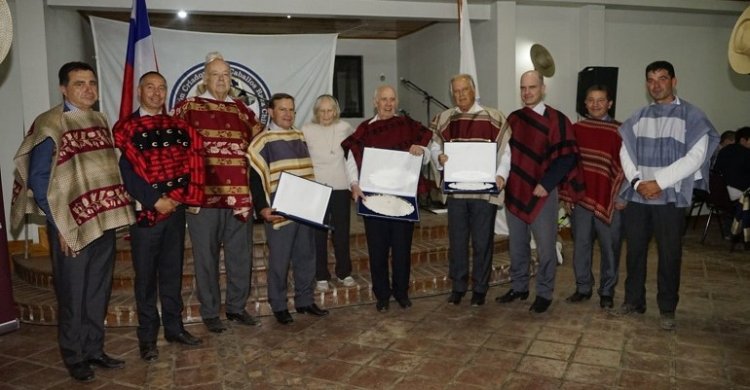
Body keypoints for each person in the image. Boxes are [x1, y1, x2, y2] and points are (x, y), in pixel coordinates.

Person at [10, 62, 135, 382]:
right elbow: (39, 180)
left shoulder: (99, 119)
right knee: (73, 293)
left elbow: (105, 171)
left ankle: (94, 349)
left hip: (102, 221)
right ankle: (74, 355)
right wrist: (61, 225)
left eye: (92, 83)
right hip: (71, 226)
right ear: (63, 88)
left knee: (97, 290)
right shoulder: (51, 123)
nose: (88, 89)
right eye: (80, 84)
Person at [617, 61, 718, 330]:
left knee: (670, 254)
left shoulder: (692, 116)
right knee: (635, 251)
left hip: (670, 197)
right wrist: (638, 182)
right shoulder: (638, 116)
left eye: (662, 78)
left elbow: (695, 158)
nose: (656, 84)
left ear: (674, 81)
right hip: (639, 197)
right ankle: (634, 301)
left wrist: (659, 182)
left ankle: (667, 308)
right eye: (650, 79)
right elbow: (624, 150)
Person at [113, 72, 204, 362]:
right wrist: (155, 200)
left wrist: (176, 198)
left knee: (172, 273)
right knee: (145, 280)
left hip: (175, 213)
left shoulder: (179, 126)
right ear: (140, 90)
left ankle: (174, 329)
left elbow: (191, 165)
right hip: (145, 217)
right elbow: (126, 173)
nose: (156, 92)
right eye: (150, 87)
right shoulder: (126, 128)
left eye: (161, 88)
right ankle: (148, 337)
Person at [173, 52, 260, 332]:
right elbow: (176, 151)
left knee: (240, 256)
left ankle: (236, 307)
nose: (221, 79)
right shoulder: (187, 108)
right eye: (215, 74)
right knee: (205, 258)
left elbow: (259, 145)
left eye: (226, 75)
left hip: (239, 200)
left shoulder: (242, 110)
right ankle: (210, 311)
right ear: (204, 78)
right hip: (203, 199)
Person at [496, 70, 583, 314]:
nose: (527, 92)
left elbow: (567, 158)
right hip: (515, 191)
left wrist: (546, 183)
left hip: (543, 193)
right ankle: (520, 287)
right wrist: (501, 176)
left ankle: (544, 292)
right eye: (523, 88)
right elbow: (506, 154)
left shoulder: (558, 120)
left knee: (546, 248)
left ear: (543, 88)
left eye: (532, 87)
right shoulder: (513, 119)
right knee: (517, 246)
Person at [342, 85, 432, 312]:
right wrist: (354, 184)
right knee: (377, 250)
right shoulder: (364, 129)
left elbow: (429, 150)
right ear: (375, 102)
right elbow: (351, 157)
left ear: (396, 101)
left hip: (403, 200)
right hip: (374, 200)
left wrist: (421, 150)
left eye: (392, 99)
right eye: (384, 99)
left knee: (402, 250)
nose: (388, 103)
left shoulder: (408, 125)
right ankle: (381, 295)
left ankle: (401, 293)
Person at [247, 93, 330, 325]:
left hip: (304, 211)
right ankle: (279, 304)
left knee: (306, 257)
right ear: (271, 112)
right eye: (282, 109)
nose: (288, 114)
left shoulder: (299, 136)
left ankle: (305, 300)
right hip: (279, 212)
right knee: (280, 260)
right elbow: (255, 177)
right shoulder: (262, 141)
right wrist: (262, 208)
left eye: (291, 109)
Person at [429, 74, 511, 306]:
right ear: (451, 94)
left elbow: (505, 152)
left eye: (465, 89)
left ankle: (480, 289)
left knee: (483, 242)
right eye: (456, 91)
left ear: (474, 90)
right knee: (457, 241)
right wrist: (439, 157)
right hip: (456, 192)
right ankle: (458, 286)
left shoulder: (493, 117)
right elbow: (434, 146)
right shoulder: (444, 119)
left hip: (483, 192)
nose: (461, 94)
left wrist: (501, 175)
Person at [560, 85, 625, 310]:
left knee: (610, 246)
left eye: (601, 100)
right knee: (581, 245)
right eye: (591, 100)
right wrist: (567, 195)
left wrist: (622, 196)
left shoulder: (621, 131)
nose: (596, 104)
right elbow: (568, 165)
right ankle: (583, 288)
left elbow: (628, 167)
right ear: (585, 104)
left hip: (611, 199)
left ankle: (607, 291)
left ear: (610, 103)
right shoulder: (576, 129)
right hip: (580, 199)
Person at [300, 95, 356, 292]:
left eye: (329, 110)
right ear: (316, 112)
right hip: (317, 188)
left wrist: (354, 184)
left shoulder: (345, 128)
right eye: (322, 111)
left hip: (341, 187)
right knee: (318, 235)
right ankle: (321, 275)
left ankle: (344, 273)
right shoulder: (306, 130)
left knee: (341, 233)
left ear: (335, 110)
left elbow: (352, 159)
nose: (326, 114)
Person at [715, 126, 750, 200]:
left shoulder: (724, 150)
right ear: (743, 140)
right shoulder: (746, 154)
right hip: (740, 194)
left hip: (720, 193)